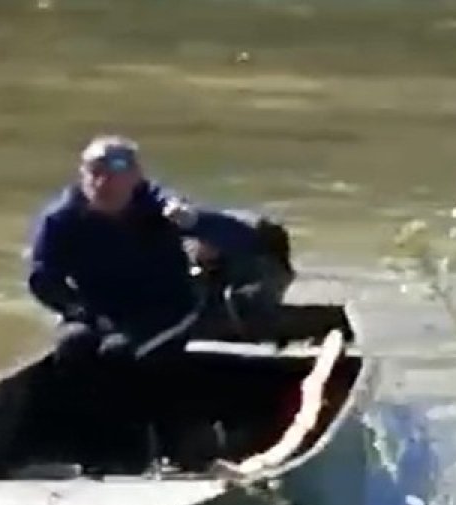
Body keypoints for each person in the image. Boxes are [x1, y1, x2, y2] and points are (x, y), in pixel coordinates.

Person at [27, 134, 287, 375]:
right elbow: (43, 279)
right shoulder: (61, 220)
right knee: (73, 346)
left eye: (115, 175)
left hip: (164, 309)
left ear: (136, 177)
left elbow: (242, 237)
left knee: (119, 353)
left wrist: (195, 221)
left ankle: (142, 416)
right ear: (82, 176)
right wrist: (77, 310)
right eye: (95, 173)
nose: (103, 183)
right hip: (97, 309)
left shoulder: (162, 206)